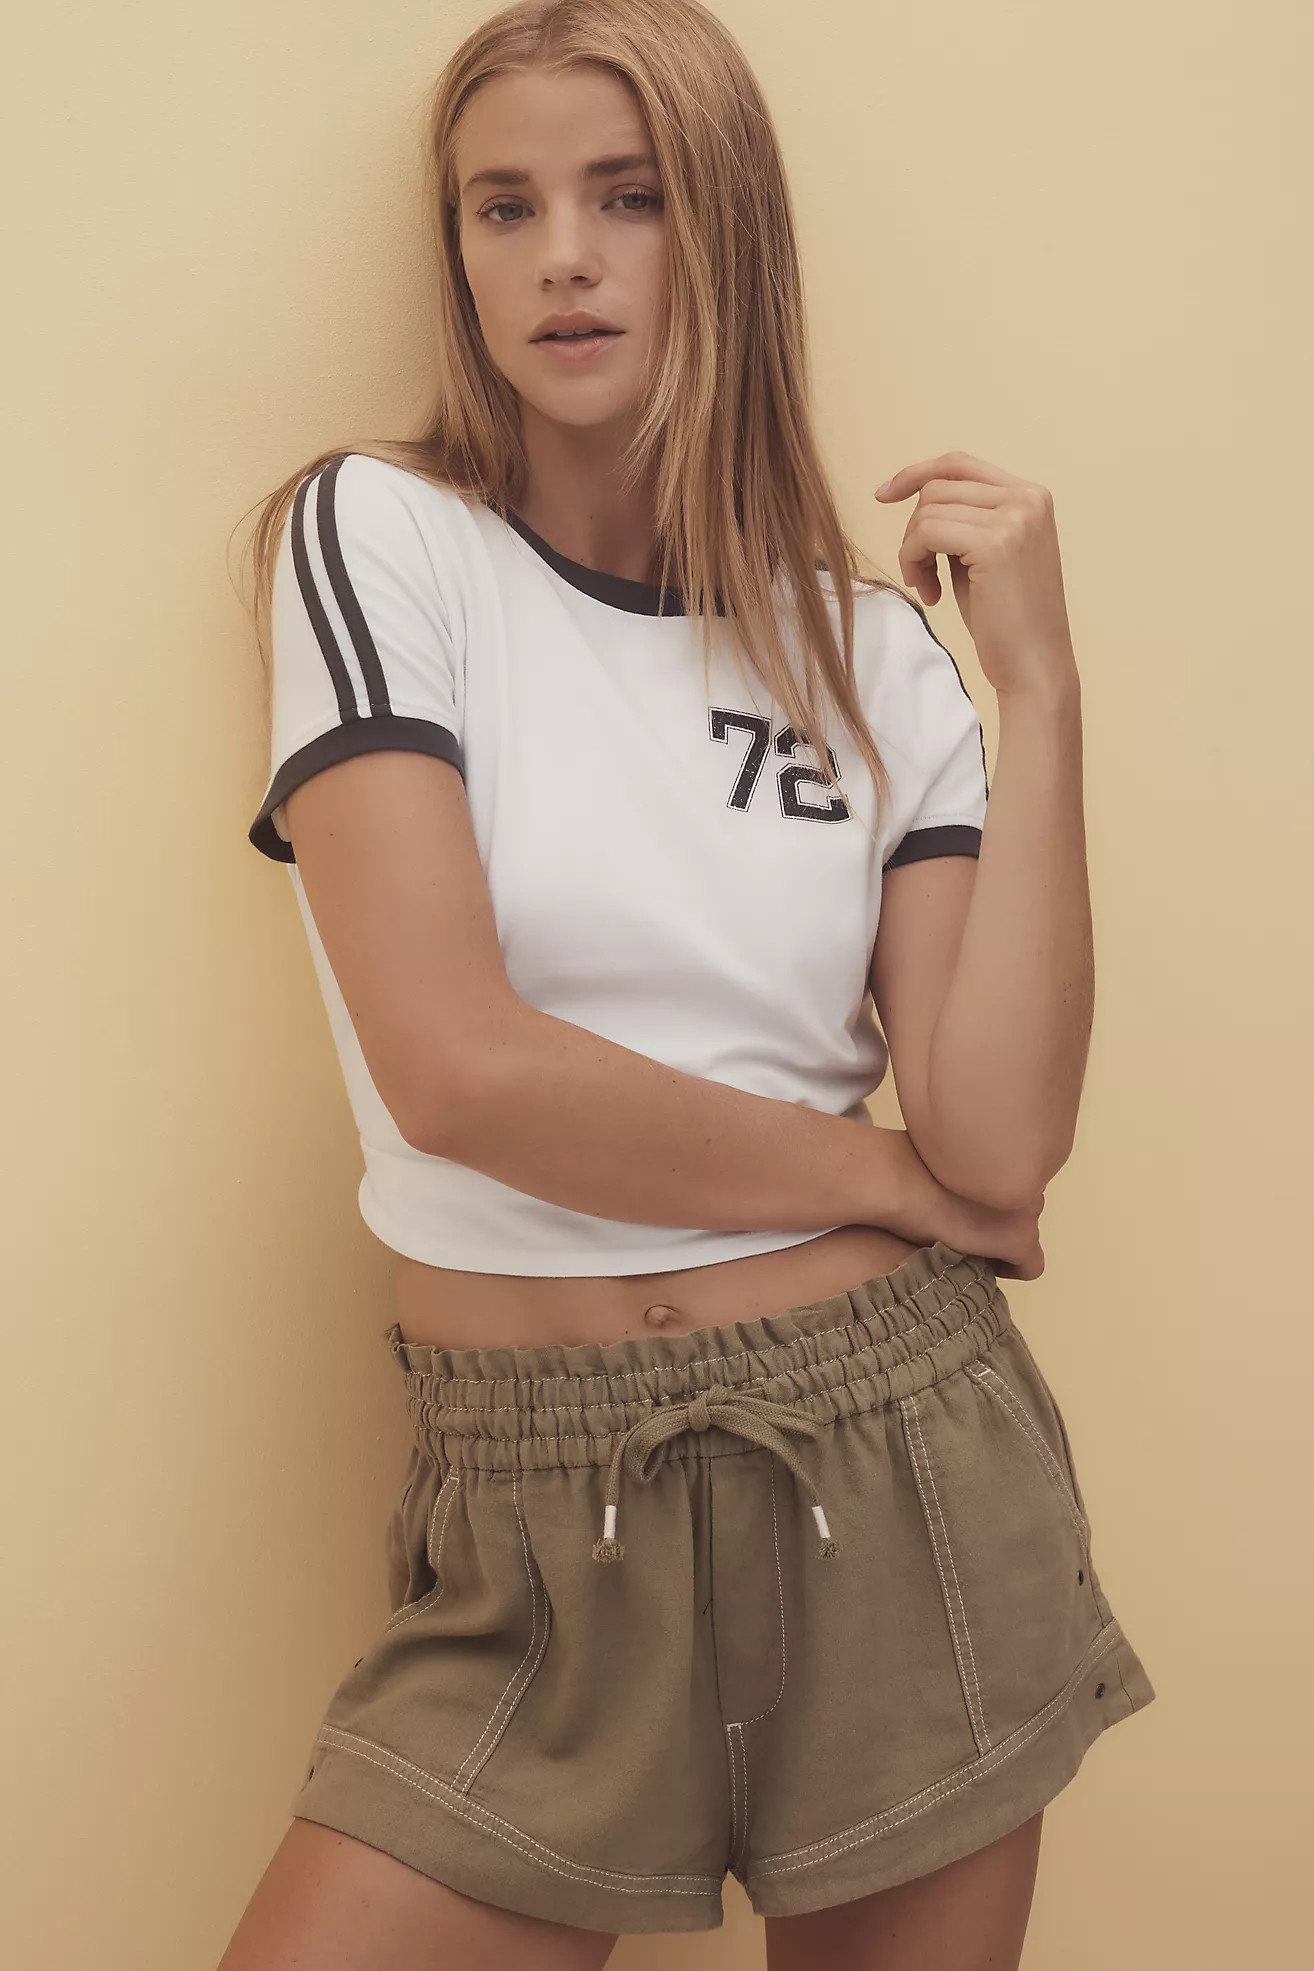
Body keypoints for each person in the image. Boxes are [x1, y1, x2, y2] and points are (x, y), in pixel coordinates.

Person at [218, 3, 1156, 1965]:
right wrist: (885, 1179)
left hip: (897, 1461)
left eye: (626, 198)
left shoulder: (870, 655)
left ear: (724, 228)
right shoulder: (379, 538)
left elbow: (998, 1137)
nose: (559, 255)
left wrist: (1044, 694)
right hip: (534, 1495)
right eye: (503, 207)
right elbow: (458, 1070)